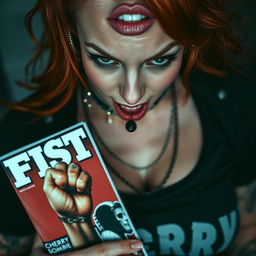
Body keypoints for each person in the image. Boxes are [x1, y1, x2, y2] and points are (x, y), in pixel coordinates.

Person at [0, 0, 255, 255]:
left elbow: (249, 228)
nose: (132, 96)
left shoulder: (233, 102)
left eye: (161, 60)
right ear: (73, 35)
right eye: (104, 59)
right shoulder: (23, 135)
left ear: (187, 41)